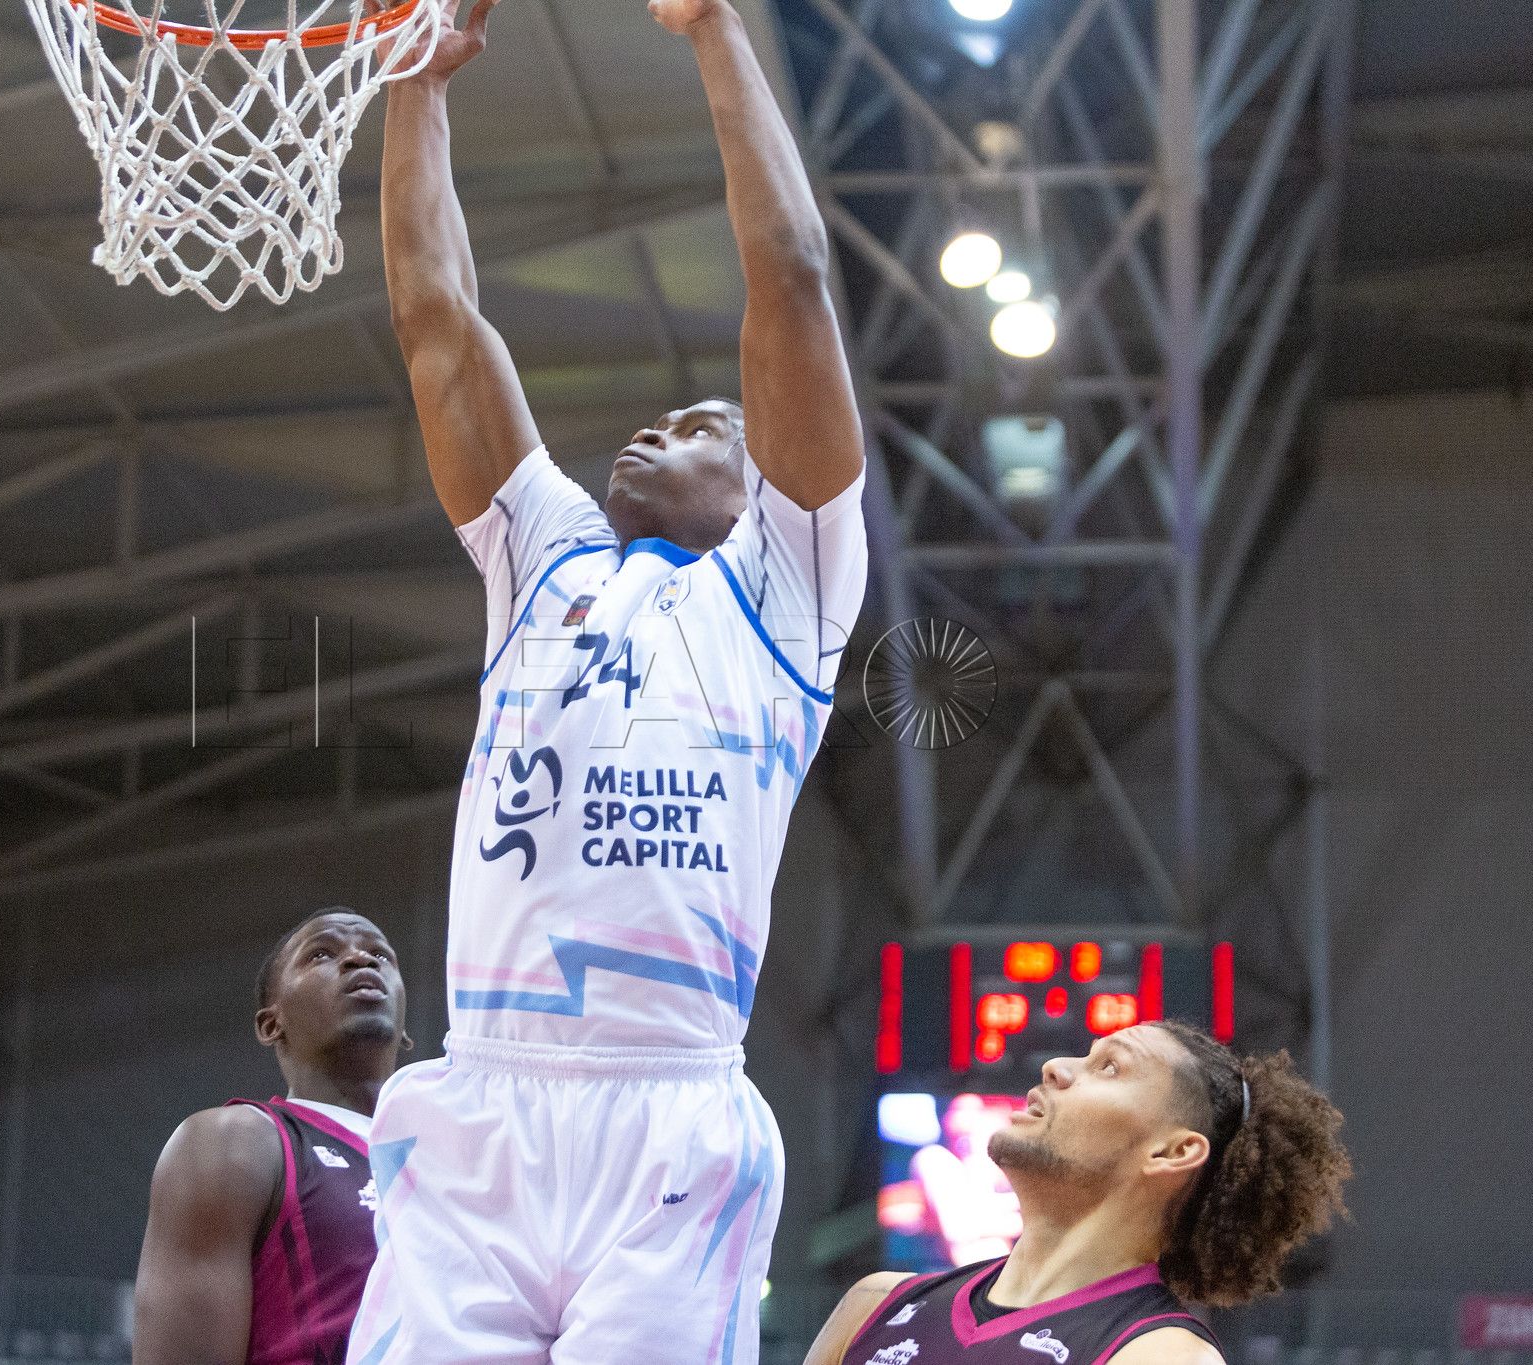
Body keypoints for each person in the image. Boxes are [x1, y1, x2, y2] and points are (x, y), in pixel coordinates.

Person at [351, 0, 867, 1357]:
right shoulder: (545, 558)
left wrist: (710, 28)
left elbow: (792, 275)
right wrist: (418, 86)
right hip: (481, 1098)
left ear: (758, 478)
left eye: (700, 425)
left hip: (669, 1115)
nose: (655, 428)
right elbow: (436, 319)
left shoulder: (789, 583)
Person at [803, 1022, 1352, 1365]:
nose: (1055, 1067)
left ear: (1172, 1151)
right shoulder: (876, 1303)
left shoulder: (1161, 1356)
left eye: (1109, 1067)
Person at [135, 909, 410, 1365]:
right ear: (271, 1024)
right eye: (321, 954)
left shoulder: (456, 1163)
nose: (360, 959)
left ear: (404, 1030)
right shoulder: (234, 1142)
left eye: (380, 955)